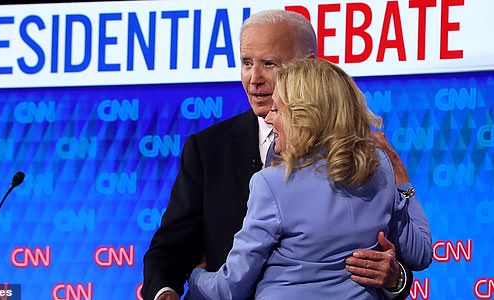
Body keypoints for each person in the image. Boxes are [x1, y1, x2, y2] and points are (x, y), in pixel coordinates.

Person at [143, 9, 423, 300]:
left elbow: (403, 252)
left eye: (269, 64)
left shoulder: (358, 154)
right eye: (246, 63)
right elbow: (172, 245)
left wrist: (396, 280)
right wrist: (165, 290)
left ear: (308, 66)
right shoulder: (207, 147)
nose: (254, 78)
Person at [186, 58, 433, 299]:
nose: (270, 119)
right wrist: (404, 184)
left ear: (304, 116)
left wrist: (196, 277)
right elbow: (420, 252)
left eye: (277, 109)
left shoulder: (272, 183)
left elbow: (230, 289)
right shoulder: (380, 169)